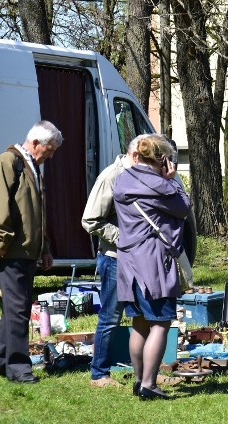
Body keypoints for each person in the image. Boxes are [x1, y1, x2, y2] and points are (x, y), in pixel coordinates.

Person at [0, 120, 63, 384]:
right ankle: (18, 368)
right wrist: (2, 242)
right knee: (18, 311)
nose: (50, 156)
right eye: (49, 150)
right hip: (11, 252)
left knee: (14, 309)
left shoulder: (32, 167)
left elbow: (37, 214)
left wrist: (45, 248)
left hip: (27, 252)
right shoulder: (6, 163)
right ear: (36, 142)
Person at [114, 135, 190, 400]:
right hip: (153, 262)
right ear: (163, 159)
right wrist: (173, 180)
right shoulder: (161, 185)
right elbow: (183, 207)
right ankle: (149, 383)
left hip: (127, 261)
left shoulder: (122, 179)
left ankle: (138, 381)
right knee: (160, 322)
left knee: (139, 323)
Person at [81, 134, 150, 388]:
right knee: (111, 317)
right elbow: (90, 219)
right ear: (135, 156)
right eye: (149, 161)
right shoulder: (111, 176)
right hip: (114, 258)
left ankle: (144, 374)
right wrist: (124, 237)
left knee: (142, 315)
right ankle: (99, 374)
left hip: (140, 259)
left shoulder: (138, 177)